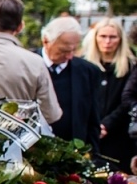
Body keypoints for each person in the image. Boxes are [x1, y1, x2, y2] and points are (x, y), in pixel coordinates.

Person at [83, 17, 134, 170]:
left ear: (120, 40)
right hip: (90, 133)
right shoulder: (84, 65)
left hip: (119, 135)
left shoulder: (131, 66)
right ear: (95, 38)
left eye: (113, 37)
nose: (107, 41)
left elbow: (128, 100)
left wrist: (107, 124)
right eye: (103, 36)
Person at [40, 16, 101, 145]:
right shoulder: (28, 65)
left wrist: (93, 152)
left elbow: (93, 119)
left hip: (73, 148)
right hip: (34, 148)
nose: (70, 56)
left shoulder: (88, 71)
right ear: (46, 41)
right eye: (64, 50)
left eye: (74, 50)